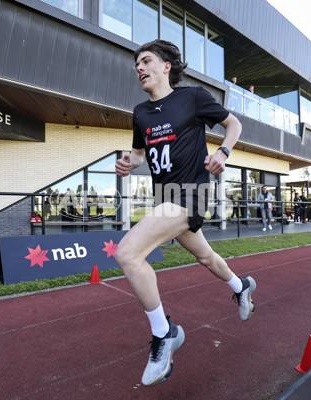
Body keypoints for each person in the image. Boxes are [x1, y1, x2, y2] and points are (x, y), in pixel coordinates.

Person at [114, 39, 256, 387]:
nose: (139, 69)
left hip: (189, 194)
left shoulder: (192, 97)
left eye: (146, 61)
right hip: (165, 199)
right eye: (136, 66)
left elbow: (233, 125)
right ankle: (242, 287)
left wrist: (222, 153)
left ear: (166, 66)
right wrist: (127, 163)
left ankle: (166, 333)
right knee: (207, 258)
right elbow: (137, 154)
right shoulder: (140, 112)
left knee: (128, 254)